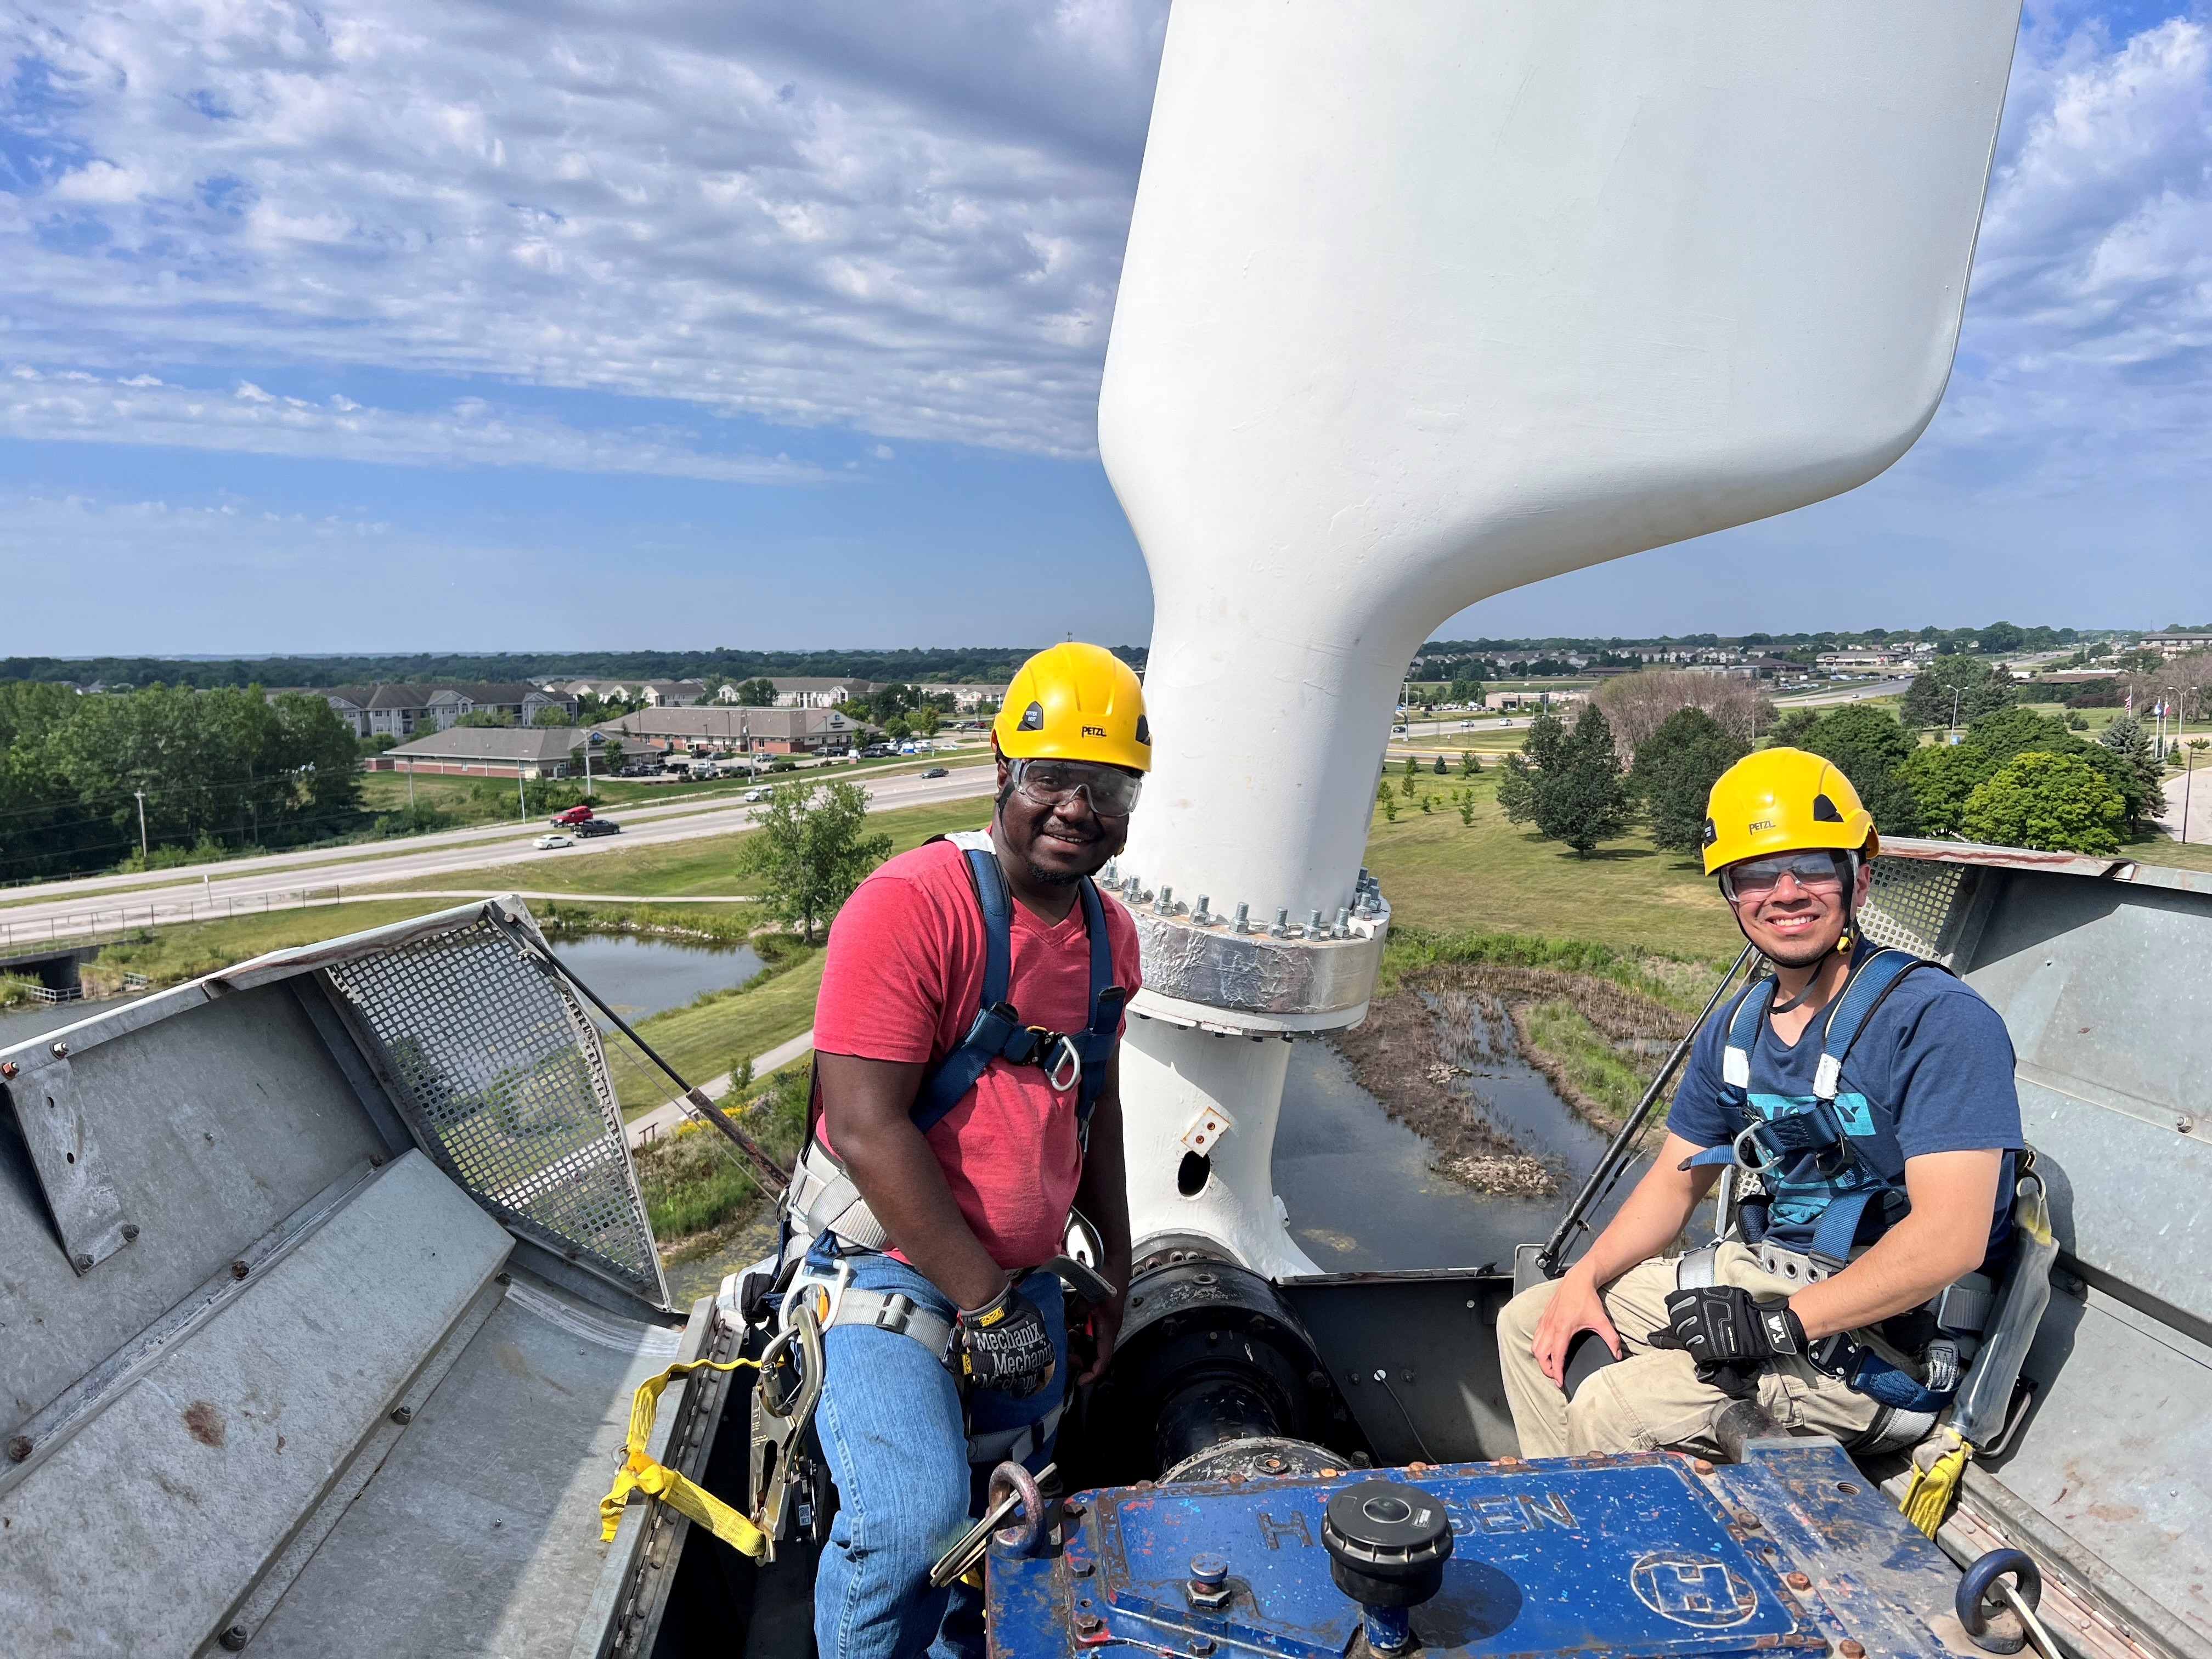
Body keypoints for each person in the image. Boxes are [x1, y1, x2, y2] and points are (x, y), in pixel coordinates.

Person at [1497, 748, 2023, 1458]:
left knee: (1615, 1407)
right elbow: (1672, 1183)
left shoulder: (1936, 1020)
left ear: (1858, 880)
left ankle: (1621, 1550)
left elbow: (1950, 1238)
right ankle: (1571, 1509)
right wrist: (1584, 1278)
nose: (1785, 892)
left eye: (1810, 866)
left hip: (1877, 1334)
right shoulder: (1738, 1030)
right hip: (1767, 1279)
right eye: (1755, 874)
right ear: (1732, 895)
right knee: (1532, 1324)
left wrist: (1779, 1328)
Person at [789, 642, 1149, 1659]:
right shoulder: (913, 907)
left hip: (1023, 1280)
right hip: (888, 1265)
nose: (1078, 807)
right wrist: (983, 1303)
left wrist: (1113, 1267)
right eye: (1052, 778)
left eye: (1109, 786)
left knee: (1003, 1531)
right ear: (1003, 770)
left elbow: (1099, 1103)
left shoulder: (1110, 937)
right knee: (909, 1526)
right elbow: (865, 1125)